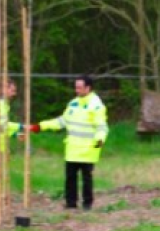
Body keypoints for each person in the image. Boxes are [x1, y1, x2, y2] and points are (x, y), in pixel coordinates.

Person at [29, 75, 108, 210]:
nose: (76, 90)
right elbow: (62, 121)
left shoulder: (96, 106)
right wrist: (41, 126)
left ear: (88, 88)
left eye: (79, 87)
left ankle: (87, 204)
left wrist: (100, 140)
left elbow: (102, 127)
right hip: (72, 149)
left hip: (88, 149)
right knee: (70, 178)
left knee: (86, 178)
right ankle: (71, 203)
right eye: (75, 87)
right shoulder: (73, 103)